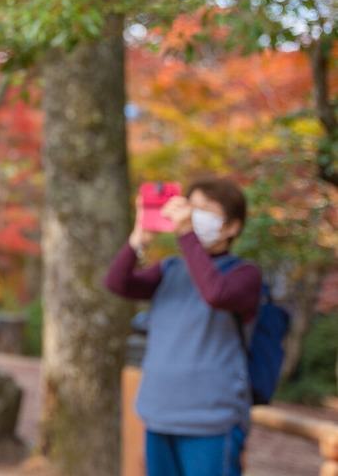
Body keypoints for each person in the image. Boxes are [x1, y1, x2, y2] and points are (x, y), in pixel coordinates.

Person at [104, 178, 261, 476]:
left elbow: (216, 294)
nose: (193, 215)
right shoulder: (170, 269)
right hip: (159, 413)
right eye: (192, 207)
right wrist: (140, 237)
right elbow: (117, 283)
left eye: (206, 210)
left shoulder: (245, 274)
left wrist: (187, 233)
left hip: (211, 420)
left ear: (232, 227)